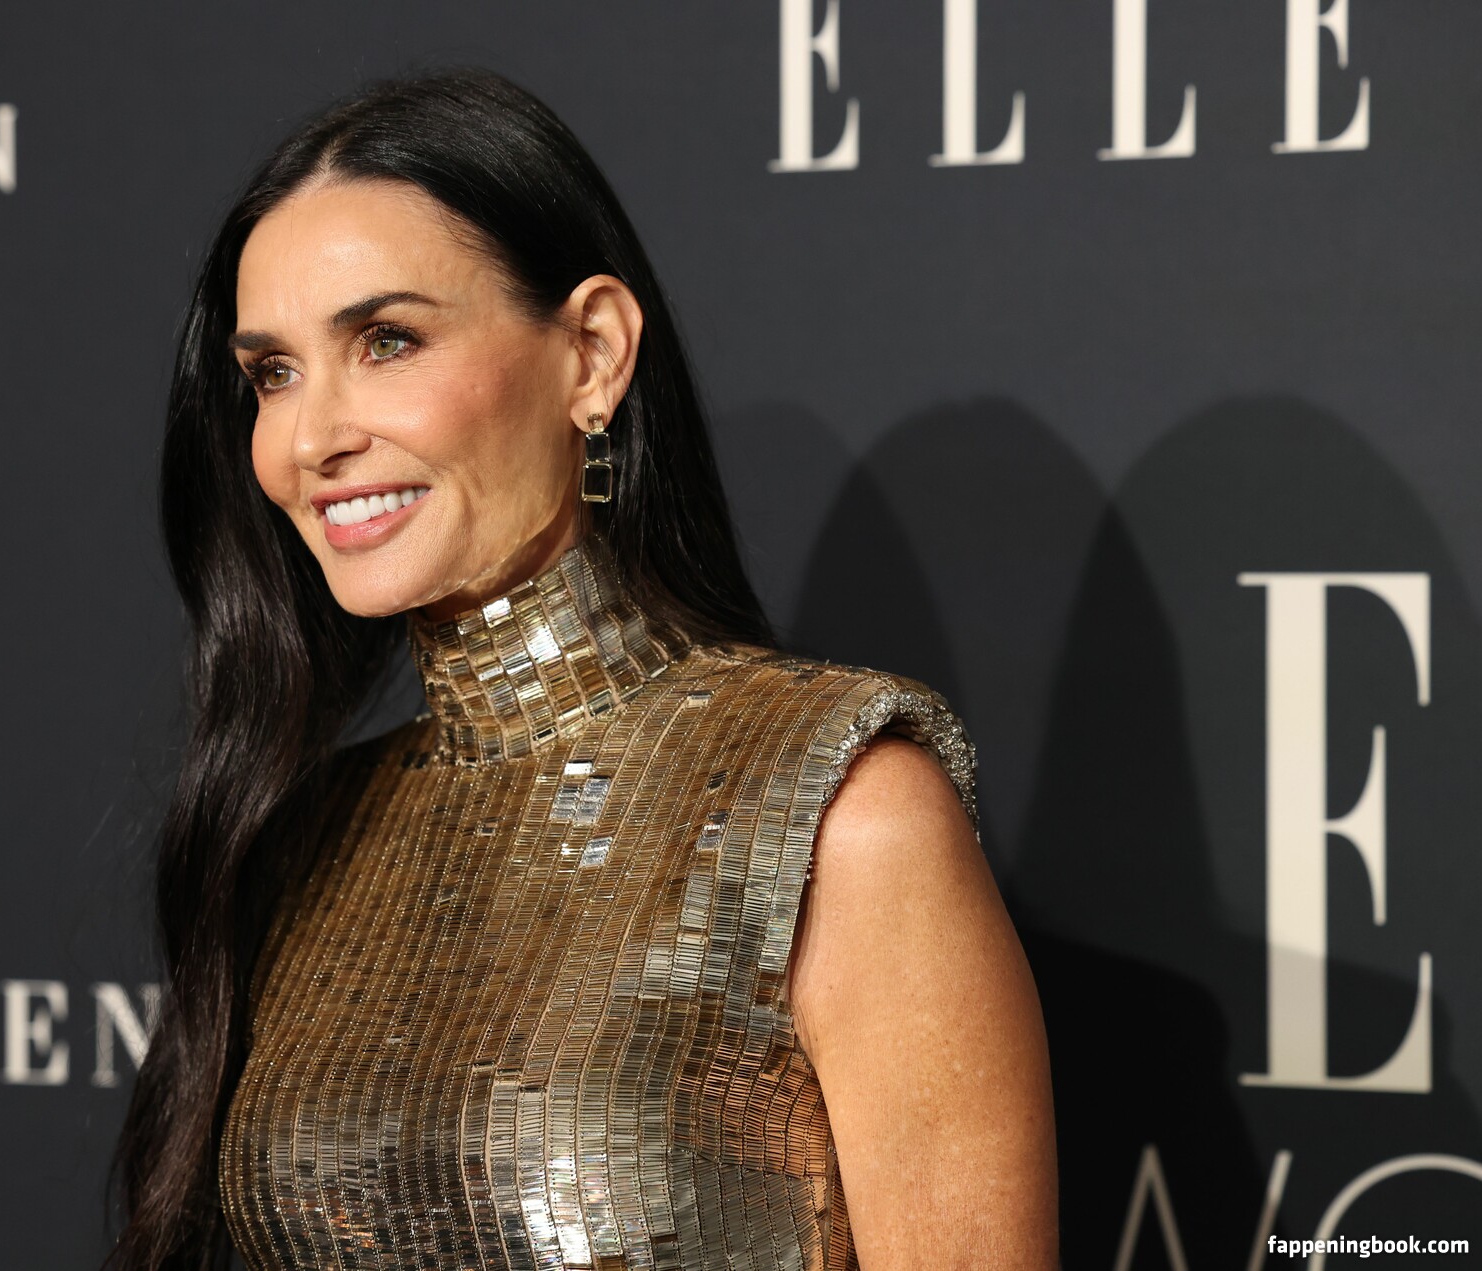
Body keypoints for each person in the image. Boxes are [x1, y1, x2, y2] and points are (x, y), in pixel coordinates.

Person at [107, 65, 1058, 1271]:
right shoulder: (306, 833)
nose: (311, 438)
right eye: (273, 374)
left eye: (387, 341)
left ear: (593, 355)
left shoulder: (839, 811)